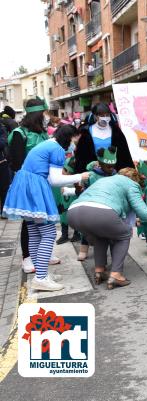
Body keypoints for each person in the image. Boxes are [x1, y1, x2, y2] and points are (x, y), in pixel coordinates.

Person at [3, 125, 89, 291]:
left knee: (35, 233)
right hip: (35, 188)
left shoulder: (48, 144)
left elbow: (50, 178)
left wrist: (71, 184)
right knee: (49, 234)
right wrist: (81, 176)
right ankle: (41, 277)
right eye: (75, 140)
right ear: (69, 137)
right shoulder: (57, 149)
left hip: (25, 186)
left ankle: (40, 275)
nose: (75, 145)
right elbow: (55, 180)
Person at [68, 168, 147, 289]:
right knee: (124, 234)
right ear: (135, 179)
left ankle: (100, 270)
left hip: (73, 212)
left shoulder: (105, 180)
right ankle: (116, 275)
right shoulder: (131, 184)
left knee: (100, 236)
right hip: (100, 211)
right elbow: (144, 214)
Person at [7, 98, 52, 273]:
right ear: (37, 115)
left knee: (44, 218)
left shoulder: (42, 133)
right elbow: (15, 161)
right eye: (44, 114)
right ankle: (27, 257)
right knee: (29, 220)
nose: (46, 117)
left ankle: (43, 253)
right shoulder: (20, 133)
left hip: (44, 182)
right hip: (28, 182)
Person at [74, 102, 133, 173]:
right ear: (95, 116)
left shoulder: (115, 131)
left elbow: (124, 153)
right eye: (102, 115)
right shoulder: (86, 132)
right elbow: (81, 156)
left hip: (114, 170)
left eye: (107, 115)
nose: (105, 117)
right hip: (93, 171)